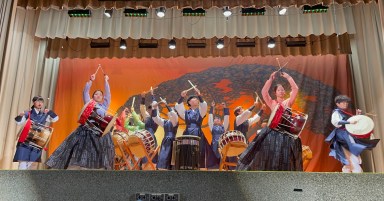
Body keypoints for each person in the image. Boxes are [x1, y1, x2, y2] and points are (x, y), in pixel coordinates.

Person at [46, 73, 115, 170]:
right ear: (92, 96)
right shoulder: (89, 103)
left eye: (100, 94)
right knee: (77, 147)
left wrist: (106, 81)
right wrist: (91, 81)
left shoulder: (104, 106)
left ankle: (96, 169)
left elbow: (108, 95)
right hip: (87, 129)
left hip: (100, 131)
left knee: (101, 150)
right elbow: (85, 92)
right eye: (96, 94)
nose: (98, 95)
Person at [237, 71, 302, 171]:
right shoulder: (272, 102)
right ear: (275, 92)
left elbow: (295, 89)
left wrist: (288, 77)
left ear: (285, 93)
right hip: (273, 130)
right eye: (279, 90)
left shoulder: (288, 102)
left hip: (285, 131)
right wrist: (270, 79)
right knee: (265, 150)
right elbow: (264, 92)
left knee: (285, 154)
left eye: (283, 90)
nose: (281, 91)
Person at [325, 95, 379, 173]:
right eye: (343, 102)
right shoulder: (336, 112)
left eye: (346, 102)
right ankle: (352, 169)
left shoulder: (345, 113)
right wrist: (349, 122)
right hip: (342, 135)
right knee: (348, 153)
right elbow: (336, 122)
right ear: (338, 104)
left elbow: (353, 123)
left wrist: (357, 116)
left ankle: (352, 169)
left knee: (352, 153)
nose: (345, 104)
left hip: (348, 135)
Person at [14, 96, 59, 170]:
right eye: (38, 101)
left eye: (41, 101)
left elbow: (55, 119)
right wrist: (20, 115)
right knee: (22, 162)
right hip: (26, 139)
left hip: (38, 140)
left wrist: (50, 112)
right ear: (34, 102)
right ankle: (20, 179)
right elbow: (18, 122)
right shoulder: (28, 113)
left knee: (32, 163)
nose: (40, 103)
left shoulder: (45, 114)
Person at [175, 87, 212, 169]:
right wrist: (181, 97)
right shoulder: (185, 112)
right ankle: (187, 166)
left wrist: (199, 95)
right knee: (187, 149)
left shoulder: (201, 111)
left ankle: (198, 166)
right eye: (194, 99)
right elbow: (178, 107)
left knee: (198, 150)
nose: (196, 100)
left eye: (196, 99)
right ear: (189, 102)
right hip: (187, 132)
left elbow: (204, 105)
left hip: (198, 132)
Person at [151, 100, 179, 170]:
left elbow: (173, 115)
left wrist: (166, 104)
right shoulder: (165, 122)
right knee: (163, 156)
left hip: (172, 141)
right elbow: (156, 119)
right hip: (166, 140)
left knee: (169, 157)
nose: (170, 112)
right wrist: (154, 109)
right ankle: (162, 169)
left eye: (172, 110)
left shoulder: (175, 121)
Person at [207, 101, 229, 169]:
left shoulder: (223, 127)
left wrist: (225, 108)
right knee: (213, 156)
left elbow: (226, 118)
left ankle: (223, 167)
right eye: (215, 118)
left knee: (223, 156)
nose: (217, 119)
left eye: (218, 119)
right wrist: (212, 107)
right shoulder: (212, 127)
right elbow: (210, 118)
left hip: (222, 143)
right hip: (214, 143)